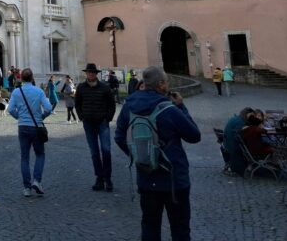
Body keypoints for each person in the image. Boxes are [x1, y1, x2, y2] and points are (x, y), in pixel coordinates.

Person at [114, 66, 201, 241]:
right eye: (167, 81)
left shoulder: (129, 106)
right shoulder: (169, 108)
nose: (168, 84)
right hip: (174, 179)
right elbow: (194, 136)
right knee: (180, 229)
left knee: (149, 226)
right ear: (161, 84)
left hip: (146, 177)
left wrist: (139, 155)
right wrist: (181, 106)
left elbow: (119, 137)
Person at [8, 68, 52, 197]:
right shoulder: (39, 91)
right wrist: (42, 117)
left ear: (21, 78)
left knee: (24, 157)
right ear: (33, 78)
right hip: (36, 126)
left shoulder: (16, 92)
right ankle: (37, 181)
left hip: (23, 127)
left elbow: (10, 109)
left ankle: (27, 188)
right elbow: (48, 108)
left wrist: (19, 117)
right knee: (40, 154)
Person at [75, 63, 116, 192]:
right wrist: (82, 116)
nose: (91, 74)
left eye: (93, 72)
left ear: (96, 74)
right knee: (94, 153)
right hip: (88, 124)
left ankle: (108, 178)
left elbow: (112, 104)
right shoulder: (81, 88)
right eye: (89, 72)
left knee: (106, 151)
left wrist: (108, 118)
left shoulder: (104, 88)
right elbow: (77, 104)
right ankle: (99, 178)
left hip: (102, 123)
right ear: (86, 74)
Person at [223, 107, 254, 175]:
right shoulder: (240, 122)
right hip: (234, 147)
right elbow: (241, 137)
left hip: (226, 144)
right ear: (247, 114)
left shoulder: (235, 118)